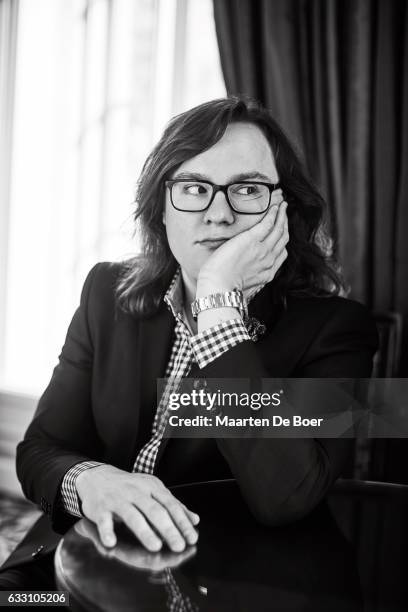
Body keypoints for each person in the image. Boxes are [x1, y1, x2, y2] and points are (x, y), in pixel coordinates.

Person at [0, 96, 378, 589]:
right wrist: (90, 482)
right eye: (195, 187)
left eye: (246, 189)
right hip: (71, 573)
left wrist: (220, 309)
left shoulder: (341, 331)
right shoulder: (104, 293)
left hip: (225, 589)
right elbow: (40, 450)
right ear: (161, 207)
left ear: (284, 210)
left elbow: (287, 496)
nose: (218, 214)